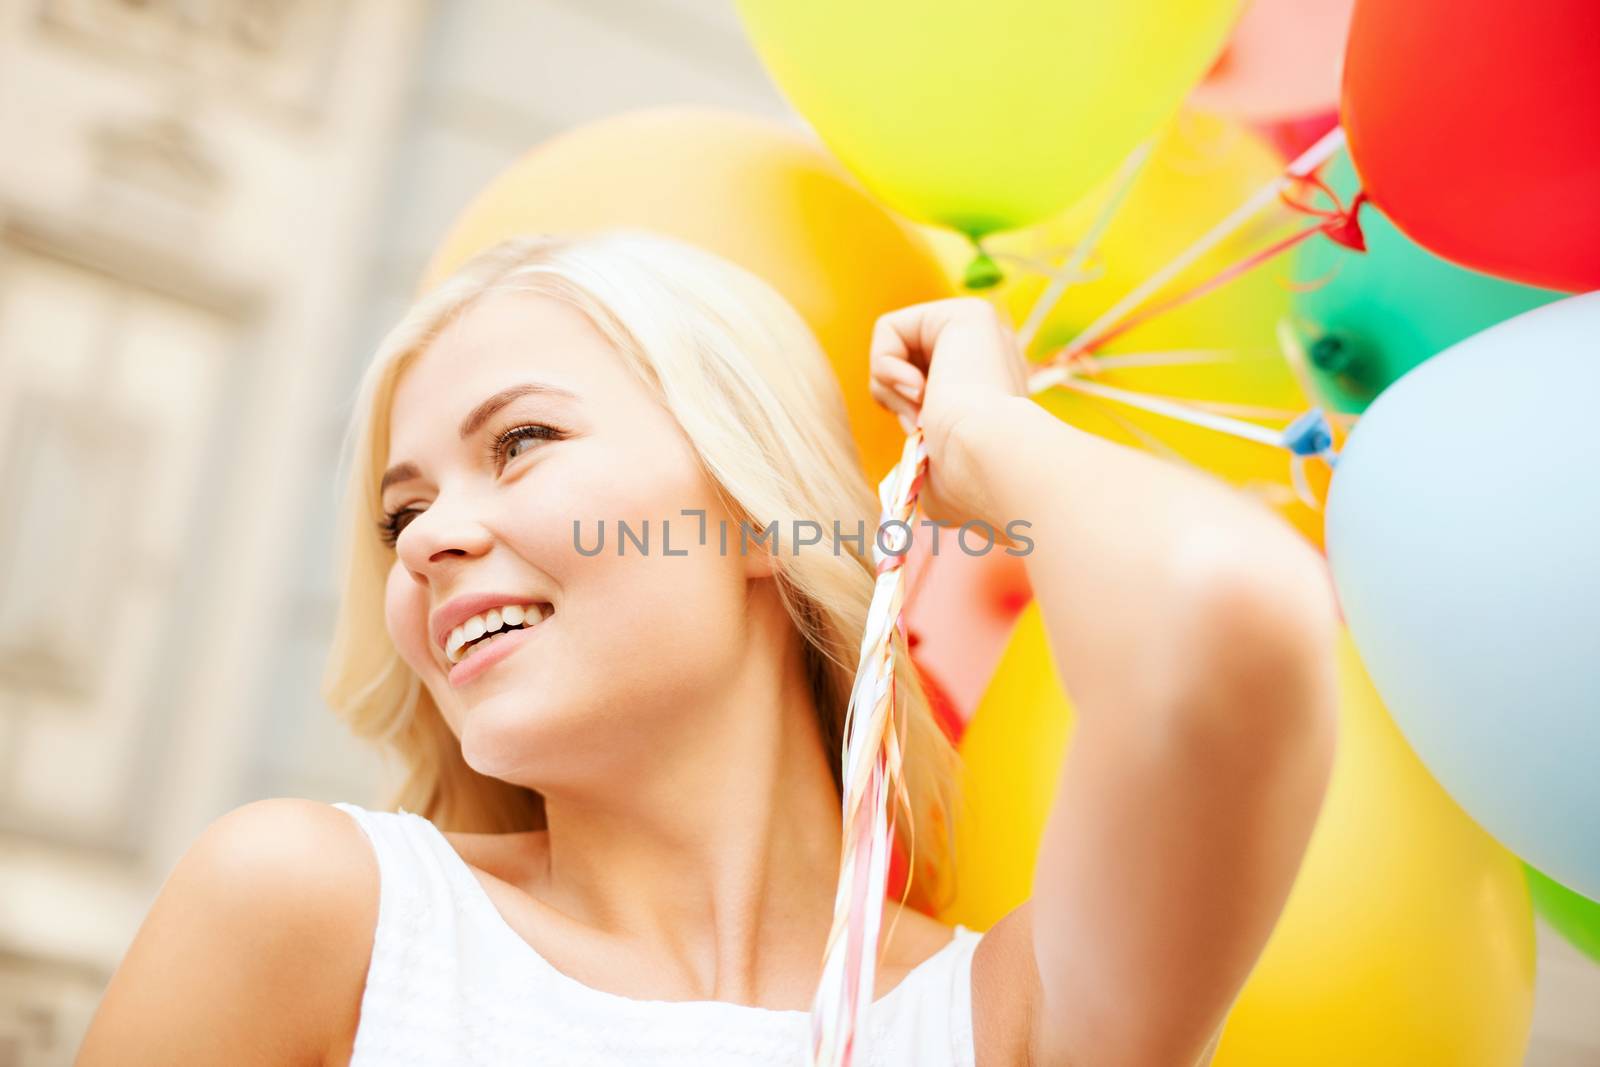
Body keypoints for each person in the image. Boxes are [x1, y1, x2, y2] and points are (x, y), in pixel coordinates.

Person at [75, 230, 1338, 1066]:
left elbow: (1231, 613)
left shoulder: (999, 1020)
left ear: (753, 511)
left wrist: (980, 433)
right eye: (400, 512)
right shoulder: (327, 914)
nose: (427, 542)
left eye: (519, 441)